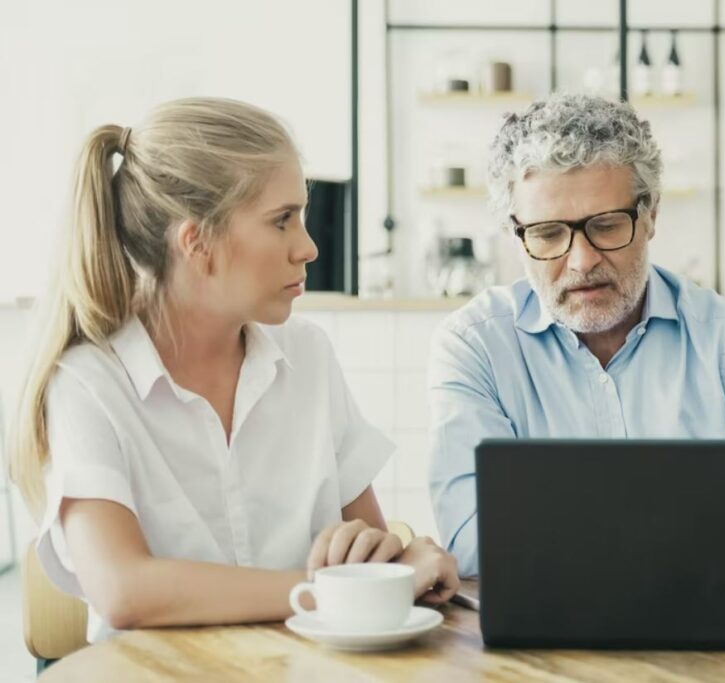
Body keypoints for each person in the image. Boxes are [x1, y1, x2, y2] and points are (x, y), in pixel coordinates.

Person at [7, 97, 457, 642]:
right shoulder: (87, 385)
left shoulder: (309, 357)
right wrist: (335, 590)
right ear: (197, 242)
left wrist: (400, 557)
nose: (309, 247)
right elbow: (124, 591)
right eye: (282, 220)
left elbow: (370, 548)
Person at [428, 93, 725, 580]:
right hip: (545, 642)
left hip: (710, 637)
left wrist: (595, 547)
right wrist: (701, 543)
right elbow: (469, 535)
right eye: (549, 234)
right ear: (517, 237)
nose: (581, 261)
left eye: (607, 226)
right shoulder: (476, 346)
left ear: (651, 214)